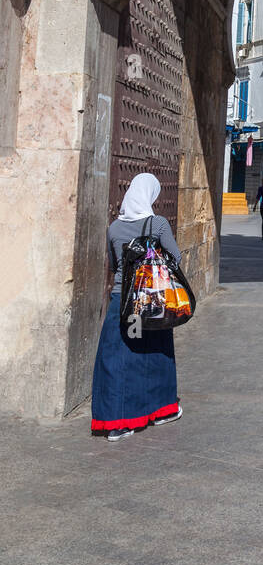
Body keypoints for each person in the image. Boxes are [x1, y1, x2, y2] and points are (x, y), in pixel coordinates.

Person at [91, 173, 183, 441]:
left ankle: (118, 422)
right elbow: (175, 258)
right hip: (151, 302)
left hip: (123, 302)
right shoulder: (159, 224)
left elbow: (114, 265)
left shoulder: (114, 228)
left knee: (117, 358)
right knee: (157, 353)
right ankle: (163, 410)